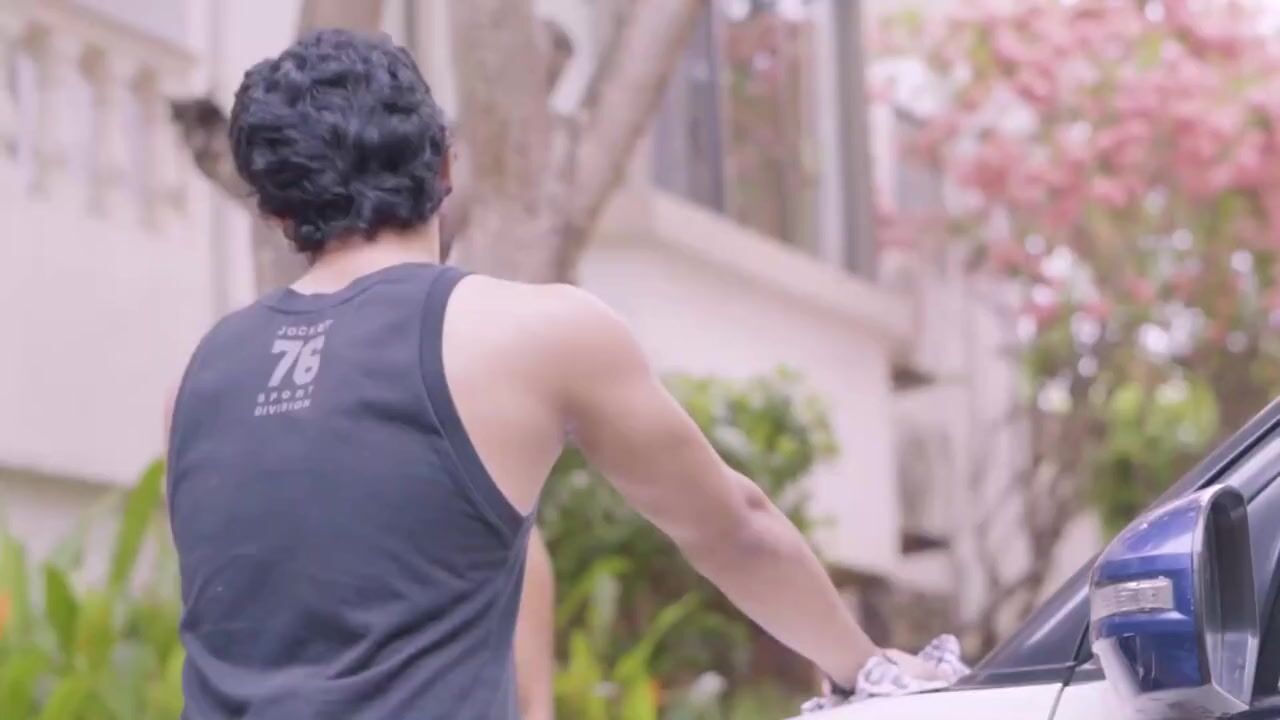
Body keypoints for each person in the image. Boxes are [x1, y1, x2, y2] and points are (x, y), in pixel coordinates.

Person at [166, 29, 933, 720]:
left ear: (275, 212)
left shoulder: (199, 378)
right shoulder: (530, 332)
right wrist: (868, 670)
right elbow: (733, 528)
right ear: (446, 164)